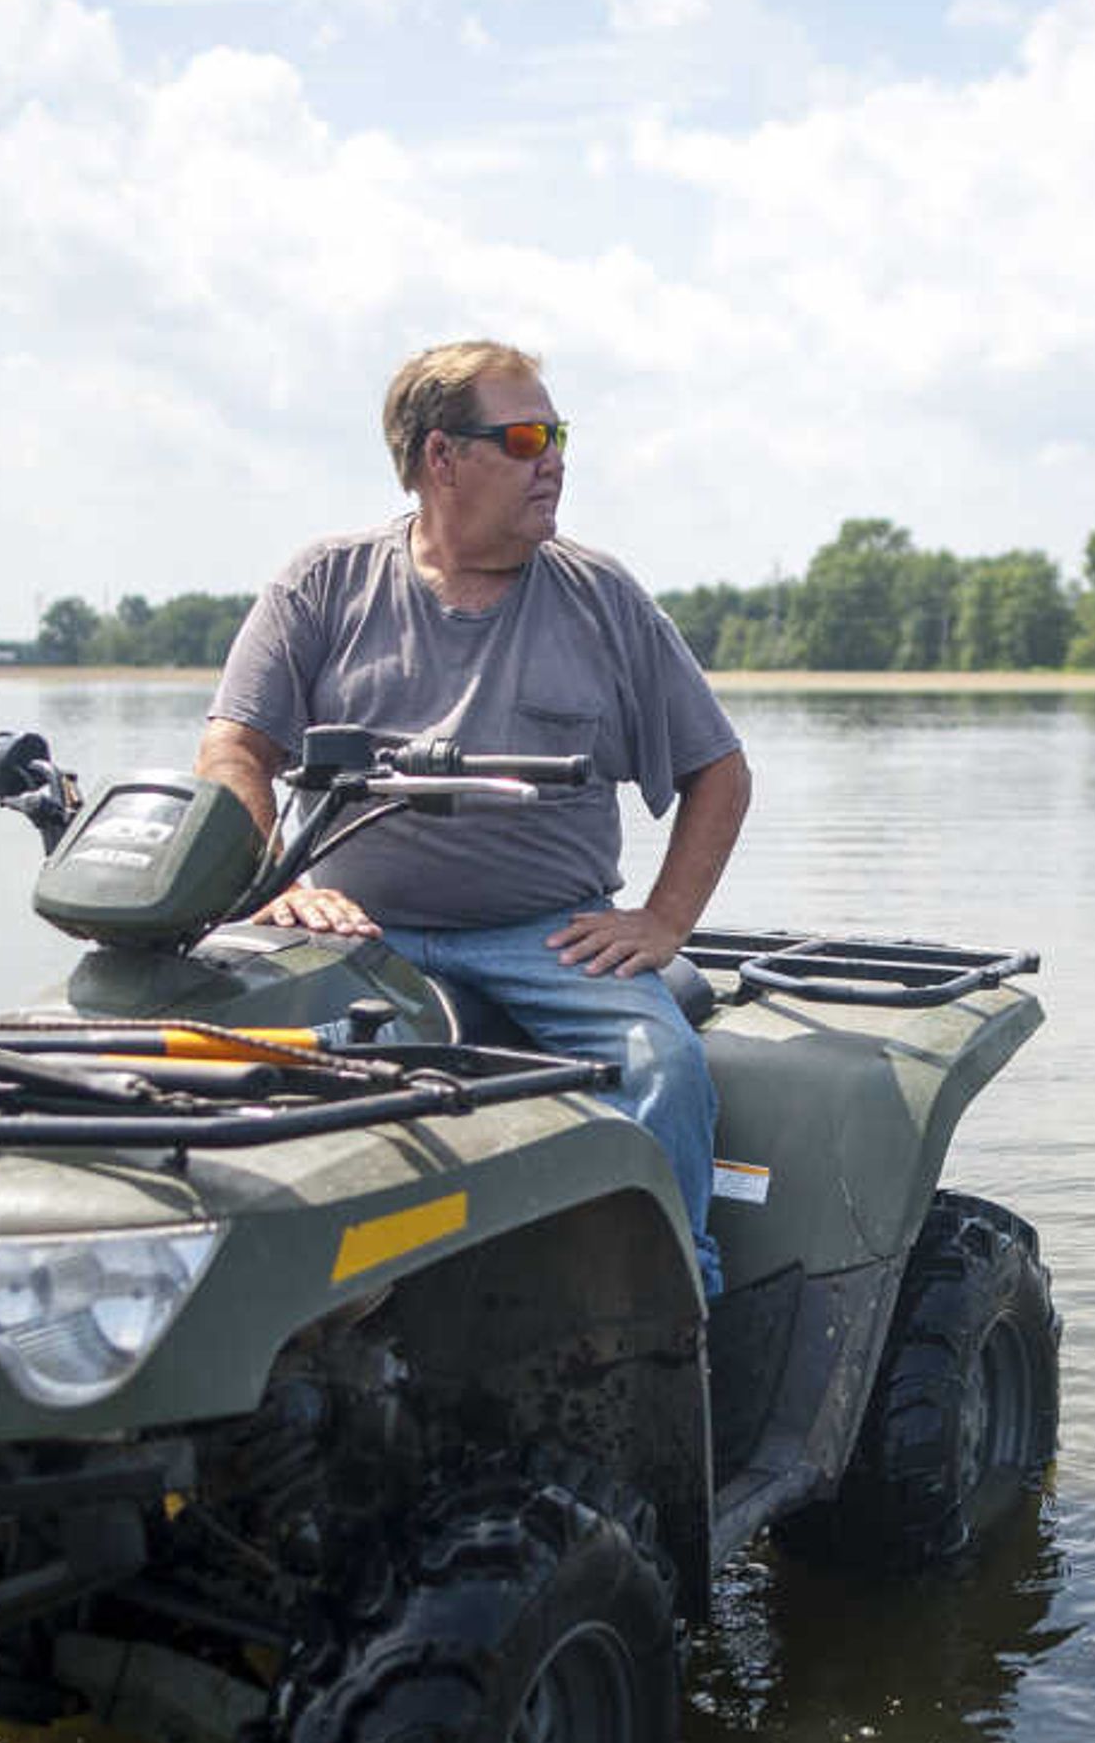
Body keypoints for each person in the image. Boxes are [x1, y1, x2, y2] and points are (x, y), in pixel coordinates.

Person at [196, 339, 752, 1296]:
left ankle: (675, 1310)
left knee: (665, 1065)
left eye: (558, 435)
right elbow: (234, 751)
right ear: (440, 458)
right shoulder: (324, 585)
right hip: (350, 931)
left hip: (546, 936)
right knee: (205, 1057)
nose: (556, 461)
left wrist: (662, 923)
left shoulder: (603, 598)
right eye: (528, 436)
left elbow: (722, 772)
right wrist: (277, 885)